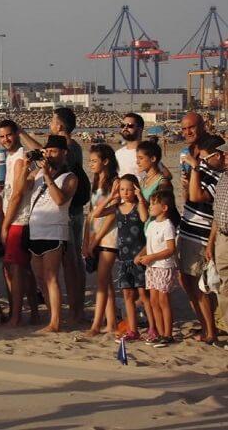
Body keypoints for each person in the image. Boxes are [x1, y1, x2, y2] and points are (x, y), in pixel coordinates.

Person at [24, 135, 78, 333]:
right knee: (40, 278)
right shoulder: (38, 173)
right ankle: (51, 315)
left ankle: (55, 321)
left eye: (54, 151)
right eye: (47, 151)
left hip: (55, 230)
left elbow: (60, 200)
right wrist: (27, 166)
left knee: (51, 276)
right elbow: (22, 189)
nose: (49, 155)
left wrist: (47, 175)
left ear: (64, 153)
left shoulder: (70, 177)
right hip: (35, 229)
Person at [92, 174, 155, 342]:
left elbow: (144, 218)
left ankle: (153, 329)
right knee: (127, 294)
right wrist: (111, 197)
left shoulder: (139, 205)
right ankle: (133, 330)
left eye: (129, 189)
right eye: (122, 189)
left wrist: (140, 197)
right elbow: (96, 213)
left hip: (139, 257)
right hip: (124, 258)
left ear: (135, 189)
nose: (125, 193)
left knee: (143, 294)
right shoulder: (117, 207)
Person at [178, 132, 224, 345]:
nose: (204, 162)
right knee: (186, 281)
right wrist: (187, 182)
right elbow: (190, 197)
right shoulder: (205, 169)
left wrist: (196, 168)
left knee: (200, 284)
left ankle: (211, 330)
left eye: (206, 159)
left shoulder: (218, 175)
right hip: (188, 229)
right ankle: (206, 327)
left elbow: (199, 197)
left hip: (201, 234)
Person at [0, 119, 38, 327]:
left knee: (16, 270)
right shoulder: (11, 157)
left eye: (9, 135)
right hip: (16, 218)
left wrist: (5, 224)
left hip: (18, 220)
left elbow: (17, 194)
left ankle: (16, 316)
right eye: (1, 136)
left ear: (16, 134)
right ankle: (33, 313)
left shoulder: (21, 157)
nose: (5, 139)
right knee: (23, 269)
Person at [135, 190, 180, 347]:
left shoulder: (168, 225)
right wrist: (141, 255)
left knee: (163, 300)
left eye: (154, 204)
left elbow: (170, 249)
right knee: (153, 300)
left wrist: (152, 257)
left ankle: (168, 334)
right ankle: (160, 333)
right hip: (152, 267)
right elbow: (149, 246)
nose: (151, 207)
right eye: (151, 203)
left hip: (163, 266)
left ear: (164, 207)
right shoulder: (152, 224)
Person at [83, 144, 119, 336]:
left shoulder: (115, 182)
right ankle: (111, 323)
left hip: (109, 237)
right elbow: (90, 214)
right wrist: (86, 240)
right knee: (107, 282)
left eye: (94, 161)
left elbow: (112, 215)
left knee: (102, 282)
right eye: (90, 161)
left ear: (106, 161)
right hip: (95, 235)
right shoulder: (96, 181)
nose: (91, 164)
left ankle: (96, 325)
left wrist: (94, 241)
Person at [205, 141, 228, 324]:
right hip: (221, 236)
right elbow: (217, 214)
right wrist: (211, 242)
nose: (224, 157)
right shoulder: (223, 178)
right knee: (223, 282)